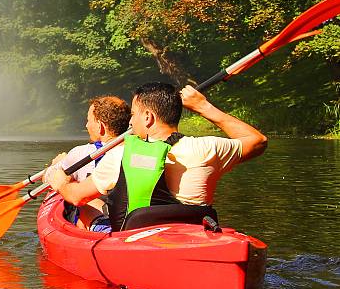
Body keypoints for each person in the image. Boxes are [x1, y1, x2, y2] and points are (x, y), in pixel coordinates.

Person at [44, 82, 267, 232]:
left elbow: (75, 197)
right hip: (194, 235)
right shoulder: (208, 148)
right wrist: (203, 107)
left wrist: (61, 181)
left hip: (134, 242)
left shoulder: (121, 154)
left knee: (85, 204)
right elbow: (257, 141)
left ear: (148, 117)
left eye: (133, 115)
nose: (130, 123)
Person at [57, 95, 131, 230]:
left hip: (105, 226)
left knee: (83, 205)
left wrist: (56, 167)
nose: (86, 125)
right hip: (130, 219)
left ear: (100, 126)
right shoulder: (137, 149)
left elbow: (50, 179)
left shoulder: (80, 153)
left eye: (88, 120)